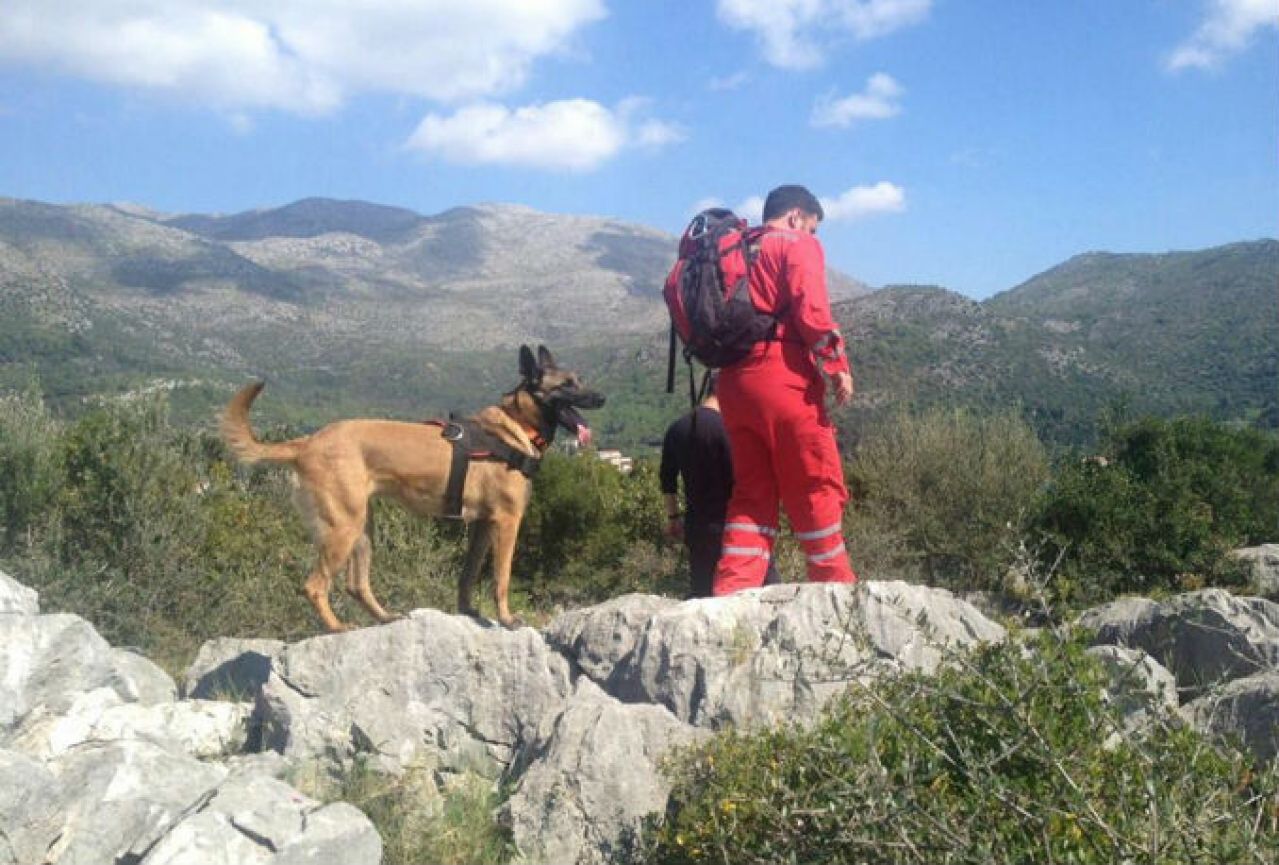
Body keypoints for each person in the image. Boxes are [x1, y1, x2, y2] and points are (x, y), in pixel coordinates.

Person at [712, 184, 857, 596]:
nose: (812, 237)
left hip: (734, 386)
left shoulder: (734, 248)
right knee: (815, 482)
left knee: (751, 495)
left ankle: (730, 597)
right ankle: (837, 595)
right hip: (783, 379)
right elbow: (811, 309)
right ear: (797, 217)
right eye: (813, 228)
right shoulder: (794, 243)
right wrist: (837, 366)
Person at [659, 373, 779, 598]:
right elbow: (745, 482)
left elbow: (667, 481)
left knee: (706, 601)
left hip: (698, 531)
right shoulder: (732, 430)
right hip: (738, 532)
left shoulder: (676, 429)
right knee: (768, 596)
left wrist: (674, 519)